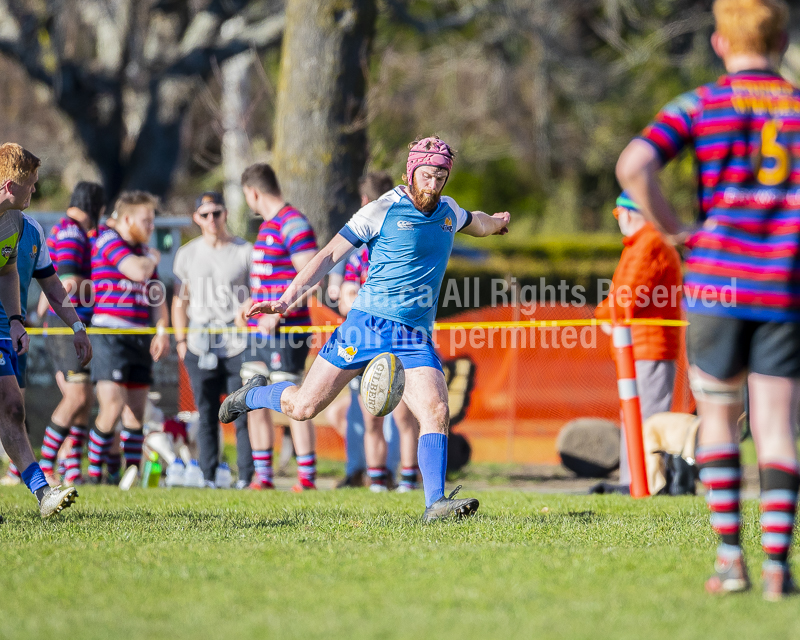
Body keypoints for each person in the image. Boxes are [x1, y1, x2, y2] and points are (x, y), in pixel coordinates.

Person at [221, 136, 510, 521]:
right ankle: (256, 395)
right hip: (366, 326)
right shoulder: (382, 209)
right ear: (412, 171)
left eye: (440, 176)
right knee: (304, 407)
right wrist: (287, 298)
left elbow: (480, 222)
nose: (433, 183)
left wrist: (498, 224)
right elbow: (327, 255)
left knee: (436, 410)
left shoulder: (449, 212)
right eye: (426, 174)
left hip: (414, 336)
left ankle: (435, 503)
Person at [616, 0, 799, 599]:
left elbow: (634, 163)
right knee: (775, 426)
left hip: (718, 283)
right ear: (782, 41)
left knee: (717, 417)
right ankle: (778, 566)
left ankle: (730, 560)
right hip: (784, 284)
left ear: (720, 43)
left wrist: (671, 229)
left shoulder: (699, 104)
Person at [0, 142, 90, 517]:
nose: (35, 191)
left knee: (12, 406)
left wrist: (18, 320)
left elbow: (7, 272)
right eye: (31, 184)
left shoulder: (18, 226)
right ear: (9, 186)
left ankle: (43, 494)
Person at [594, 192, 682, 493]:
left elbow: (628, 295)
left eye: (618, 214)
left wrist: (603, 313)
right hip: (640, 346)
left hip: (649, 346)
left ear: (628, 213)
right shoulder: (644, 243)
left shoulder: (649, 243)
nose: (619, 221)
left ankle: (646, 483)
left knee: (647, 420)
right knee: (638, 416)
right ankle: (636, 482)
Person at [238, 164, 319, 491]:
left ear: (253, 192)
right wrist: (252, 304)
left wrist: (279, 313)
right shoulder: (267, 228)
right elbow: (269, 281)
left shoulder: (293, 223)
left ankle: (306, 479)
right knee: (251, 396)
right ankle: (263, 477)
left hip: (288, 332)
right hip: (259, 332)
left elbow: (313, 281)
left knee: (292, 402)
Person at [172, 191, 254, 488]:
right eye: (204, 214)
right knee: (205, 413)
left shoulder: (245, 251)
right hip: (199, 342)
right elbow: (179, 301)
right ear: (196, 218)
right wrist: (180, 341)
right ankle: (208, 477)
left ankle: (246, 477)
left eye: (216, 213)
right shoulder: (187, 253)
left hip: (236, 344)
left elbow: (256, 295)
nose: (211, 220)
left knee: (241, 410)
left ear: (226, 214)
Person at [89, 191, 170, 485]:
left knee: (136, 410)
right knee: (111, 406)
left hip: (139, 337)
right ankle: (95, 474)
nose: (151, 227)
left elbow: (157, 295)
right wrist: (150, 257)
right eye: (145, 220)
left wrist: (162, 330)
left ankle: (130, 474)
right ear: (126, 219)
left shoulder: (144, 252)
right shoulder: (109, 241)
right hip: (110, 334)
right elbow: (136, 272)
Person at [37, 181, 105, 485]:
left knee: (85, 398)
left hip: (69, 325)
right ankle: (45, 464)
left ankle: (72, 469)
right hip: (67, 326)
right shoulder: (71, 233)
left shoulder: (65, 230)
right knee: (77, 396)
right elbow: (64, 282)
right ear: (96, 209)